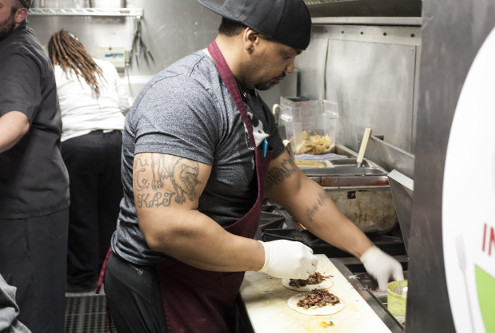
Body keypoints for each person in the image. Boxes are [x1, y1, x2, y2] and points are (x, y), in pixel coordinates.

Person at [101, 0, 404, 332]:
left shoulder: (250, 105)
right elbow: (166, 227)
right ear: (251, 38)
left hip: (210, 275)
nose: (290, 68)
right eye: (287, 55)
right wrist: (266, 257)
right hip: (162, 285)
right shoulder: (184, 97)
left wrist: (368, 252)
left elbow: (296, 188)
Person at [0, 0, 70, 332]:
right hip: (24, 200)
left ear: (20, 14)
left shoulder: (17, 54)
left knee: (32, 309)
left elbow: (15, 122)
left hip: (28, 205)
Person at [48, 29, 130, 292]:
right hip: (116, 143)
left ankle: (84, 282)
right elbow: (125, 104)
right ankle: (110, 277)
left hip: (78, 145)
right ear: (81, 47)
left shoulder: (53, 72)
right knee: (112, 213)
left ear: (55, 52)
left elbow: (49, 112)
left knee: (81, 217)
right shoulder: (104, 66)